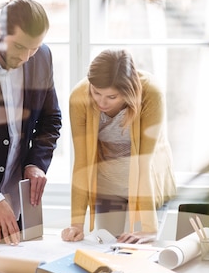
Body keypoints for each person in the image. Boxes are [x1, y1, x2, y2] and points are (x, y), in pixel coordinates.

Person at [0, 0, 62, 243]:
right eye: (19, 46)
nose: (25, 57)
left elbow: (50, 119)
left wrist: (36, 163)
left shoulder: (42, 57)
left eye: (33, 48)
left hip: (16, 210)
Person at [62, 49, 176, 244]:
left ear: (129, 91)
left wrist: (149, 229)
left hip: (148, 185)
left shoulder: (151, 93)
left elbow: (144, 164)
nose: (101, 102)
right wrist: (76, 224)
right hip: (108, 186)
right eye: (96, 92)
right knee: (108, 250)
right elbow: (82, 163)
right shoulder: (79, 96)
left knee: (139, 254)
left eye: (112, 97)